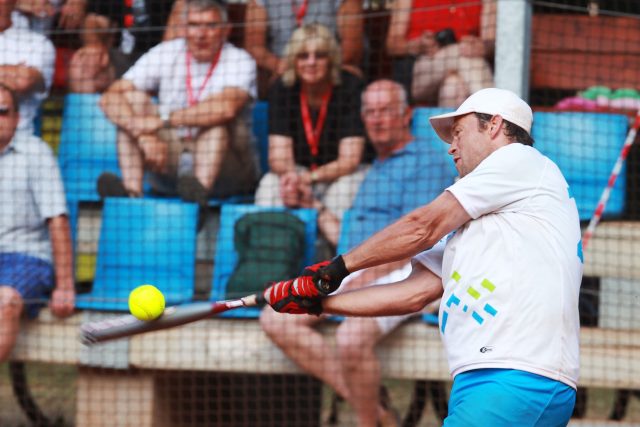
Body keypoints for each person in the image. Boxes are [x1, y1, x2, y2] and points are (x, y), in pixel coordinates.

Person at [263, 88, 583, 426]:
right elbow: (414, 292)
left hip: (516, 375)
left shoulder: (518, 159)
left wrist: (336, 270)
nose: (451, 147)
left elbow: (421, 227)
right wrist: (318, 305)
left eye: (458, 133)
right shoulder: (483, 219)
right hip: (486, 377)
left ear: (494, 126)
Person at [260, 79, 452, 427]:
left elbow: (418, 239)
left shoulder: (425, 162)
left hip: (407, 273)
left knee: (350, 338)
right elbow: (350, 245)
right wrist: (314, 207)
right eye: (370, 112)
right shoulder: (375, 166)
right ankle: (380, 415)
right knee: (275, 317)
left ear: (405, 115)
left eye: (384, 112)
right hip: (359, 271)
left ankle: (367, 422)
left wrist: (359, 275)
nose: (376, 120)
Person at [98, 0, 258, 219]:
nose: (201, 34)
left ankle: (199, 204)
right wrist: (143, 135)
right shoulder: (166, 53)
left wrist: (163, 120)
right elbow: (110, 97)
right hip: (169, 161)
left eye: (210, 26)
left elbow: (226, 108)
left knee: (215, 126)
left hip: (227, 171)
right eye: (194, 25)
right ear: (183, 28)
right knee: (132, 101)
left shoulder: (240, 60)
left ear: (226, 30)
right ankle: (131, 196)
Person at [254, 23, 366, 224]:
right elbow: (278, 155)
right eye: (303, 56)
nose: (311, 62)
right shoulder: (282, 87)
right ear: (293, 61)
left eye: (320, 55)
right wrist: (293, 180)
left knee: (342, 192)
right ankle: (274, 250)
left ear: (331, 59)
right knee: (269, 186)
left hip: (341, 174)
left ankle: (334, 253)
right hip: (298, 171)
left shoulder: (350, 85)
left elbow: (350, 160)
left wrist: (309, 179)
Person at [0, 83, 75, 363]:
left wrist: (65, 286)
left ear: (17, 118)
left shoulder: (36, 153)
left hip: (27, 258)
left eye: (2, 112)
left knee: (4, 301)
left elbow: (58, 220)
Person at [386, 0, 496, 107]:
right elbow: (392, 45)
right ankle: (495, 113)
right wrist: (417, 45)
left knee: (452, 87)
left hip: (466, 70)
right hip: (422, 70)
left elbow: (490, 43)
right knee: (460, 53)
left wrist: (482, 47)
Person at [244, 0, 363, 96]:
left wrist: (322, 68)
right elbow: (254, 47)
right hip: (284, 70)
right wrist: (286, 67)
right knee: (276, 83)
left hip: (329, 68)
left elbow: (350, 50)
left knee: (352, 75)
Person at [68, 0, 179, 93]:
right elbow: (96, 18)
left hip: (159, 58)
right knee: (81, 69)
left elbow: (179, 20)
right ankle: (94, 117)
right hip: (120, 57)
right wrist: (95, 47)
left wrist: (166, 59)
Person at [0, 0, 55, 135]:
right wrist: (10, 72)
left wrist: (20, 75)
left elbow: (24, 81)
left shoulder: (38, 42)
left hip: (21, 141)